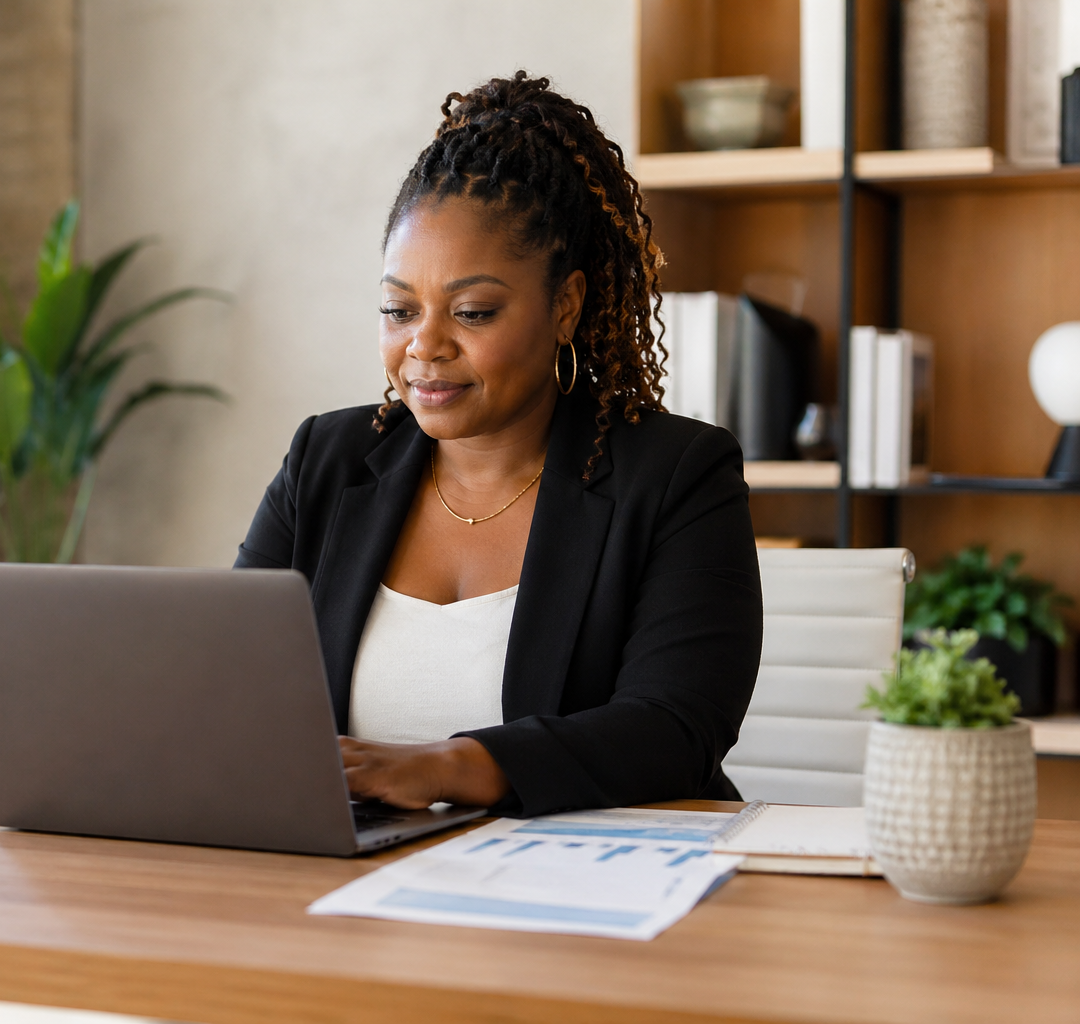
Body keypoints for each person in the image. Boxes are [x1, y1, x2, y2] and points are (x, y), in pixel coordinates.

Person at [235, 72, 762, 817]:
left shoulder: (677, 476)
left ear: (566, 305)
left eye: (473, 312)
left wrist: (451, 767)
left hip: (585, 871)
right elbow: (229, 683)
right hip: (353, 869)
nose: (425, 346)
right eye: (398, 309)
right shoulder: (326, 459)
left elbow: (676, 729)